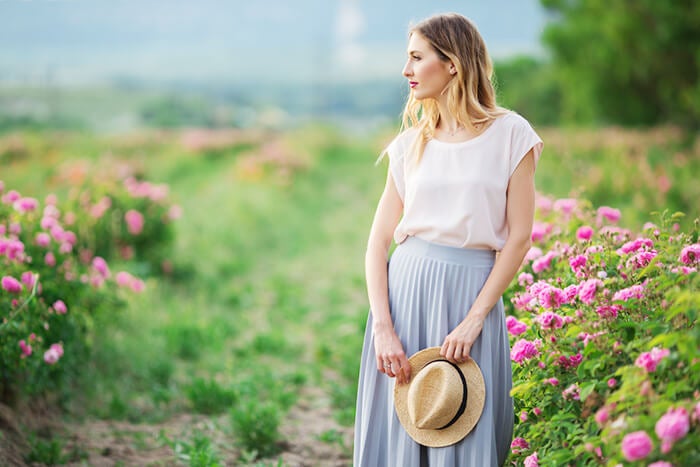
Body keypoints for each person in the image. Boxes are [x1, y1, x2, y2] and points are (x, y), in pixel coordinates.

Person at [353, 13, 543, 467]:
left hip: (471, 298)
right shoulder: (409, 145)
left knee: (462, 428)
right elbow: (378, 241)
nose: (407, 71)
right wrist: (383, 328)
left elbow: (518, 238)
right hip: (406, 294)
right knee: (407, 420)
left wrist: (476, 318)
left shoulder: (511, 134)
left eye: (417, 58)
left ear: (453, 63)